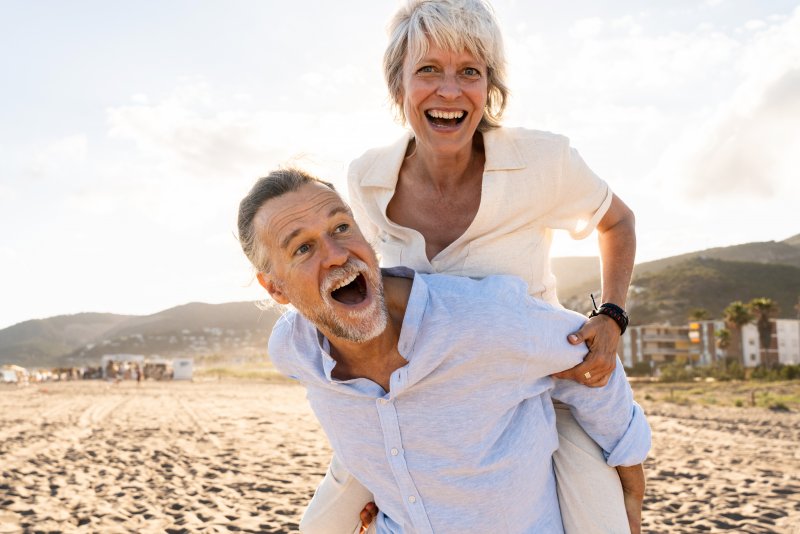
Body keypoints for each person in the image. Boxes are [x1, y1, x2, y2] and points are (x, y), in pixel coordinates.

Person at [309, 0, 641, 532]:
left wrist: (612, 314)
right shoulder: (366, 178)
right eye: (427, 70)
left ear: (490, 87)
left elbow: (617, 222)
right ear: (399, 87)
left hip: (539, 381)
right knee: (320, 526)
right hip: (417, 391)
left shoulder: (544, 161)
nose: (449, 90)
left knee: (607, 522)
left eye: (469, 71)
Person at [236, 169, 649, 533]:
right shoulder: (293, 349)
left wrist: (631, 483)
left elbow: (593, 360)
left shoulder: (484, 320)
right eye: (302, 249)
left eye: (341, 227)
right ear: (275, 288)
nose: (337, 255)